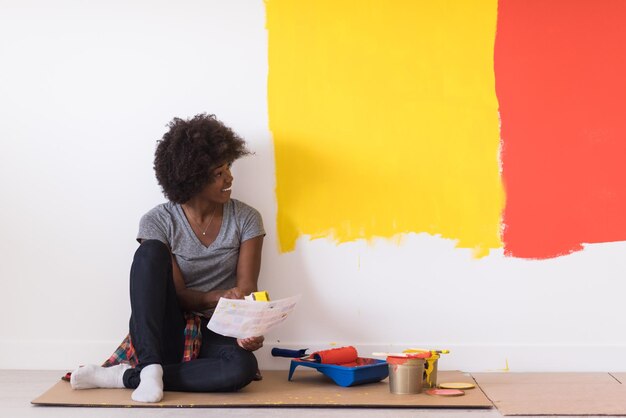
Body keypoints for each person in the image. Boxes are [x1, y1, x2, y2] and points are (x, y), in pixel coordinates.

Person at [70, 113, 265, 403]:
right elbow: (180, 296)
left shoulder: (246, 218)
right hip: (166, 329)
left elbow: (247, 289)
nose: (230, 177)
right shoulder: (158, 221)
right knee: (149, 252)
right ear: (193, 179)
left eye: (229, 168)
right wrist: (218, 296)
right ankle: (150, 366)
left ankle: (127, 376)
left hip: (219, 328)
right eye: (218, 173)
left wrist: (249, 330)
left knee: (242, 368)